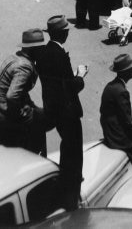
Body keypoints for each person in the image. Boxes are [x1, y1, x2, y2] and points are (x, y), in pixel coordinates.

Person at [38, 15, 88, 211]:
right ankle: (71, 195)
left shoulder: (44, 53)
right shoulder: (58, 55)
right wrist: (80, 76)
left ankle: (67, 185)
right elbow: (67, 87)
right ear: (63, 33)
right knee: (74, 153)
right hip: (67, 111)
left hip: (53, 108)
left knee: (67, 147)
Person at [0, 28, 48, 155]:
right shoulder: (25, 66)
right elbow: (11, 96)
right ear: (33, 49)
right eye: (40, 48)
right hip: (4, 110)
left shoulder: (13, 57)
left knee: (37, 112)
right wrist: (22, 112)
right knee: (43, 117)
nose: (42, 51)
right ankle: (37, 156)